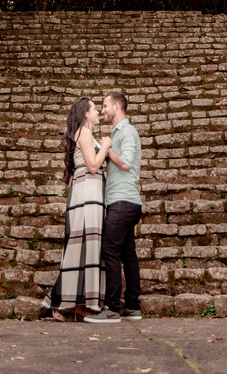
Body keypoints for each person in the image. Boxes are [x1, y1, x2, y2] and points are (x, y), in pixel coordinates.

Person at [41, 97, 112, 319]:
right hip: (88, 191)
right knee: (86, 245)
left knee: (85, 246)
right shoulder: (86, 132)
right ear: (85, 114)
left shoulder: (82, 133)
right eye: (94, 109)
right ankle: (59, 301)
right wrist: (107, 145)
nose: (98, 112)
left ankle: (80, 303)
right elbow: (92, 165)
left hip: (87, 191)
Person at [85, 90, 143, 324]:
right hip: (125, 202)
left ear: (117, 106)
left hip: (123, 202)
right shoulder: (118, 132)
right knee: (128, 255)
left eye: (106, 105)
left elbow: (127, 163)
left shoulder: (127, 131)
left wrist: (106, 149)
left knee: (109, 249)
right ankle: (132, 306)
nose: (104, 110)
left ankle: (111, 308)